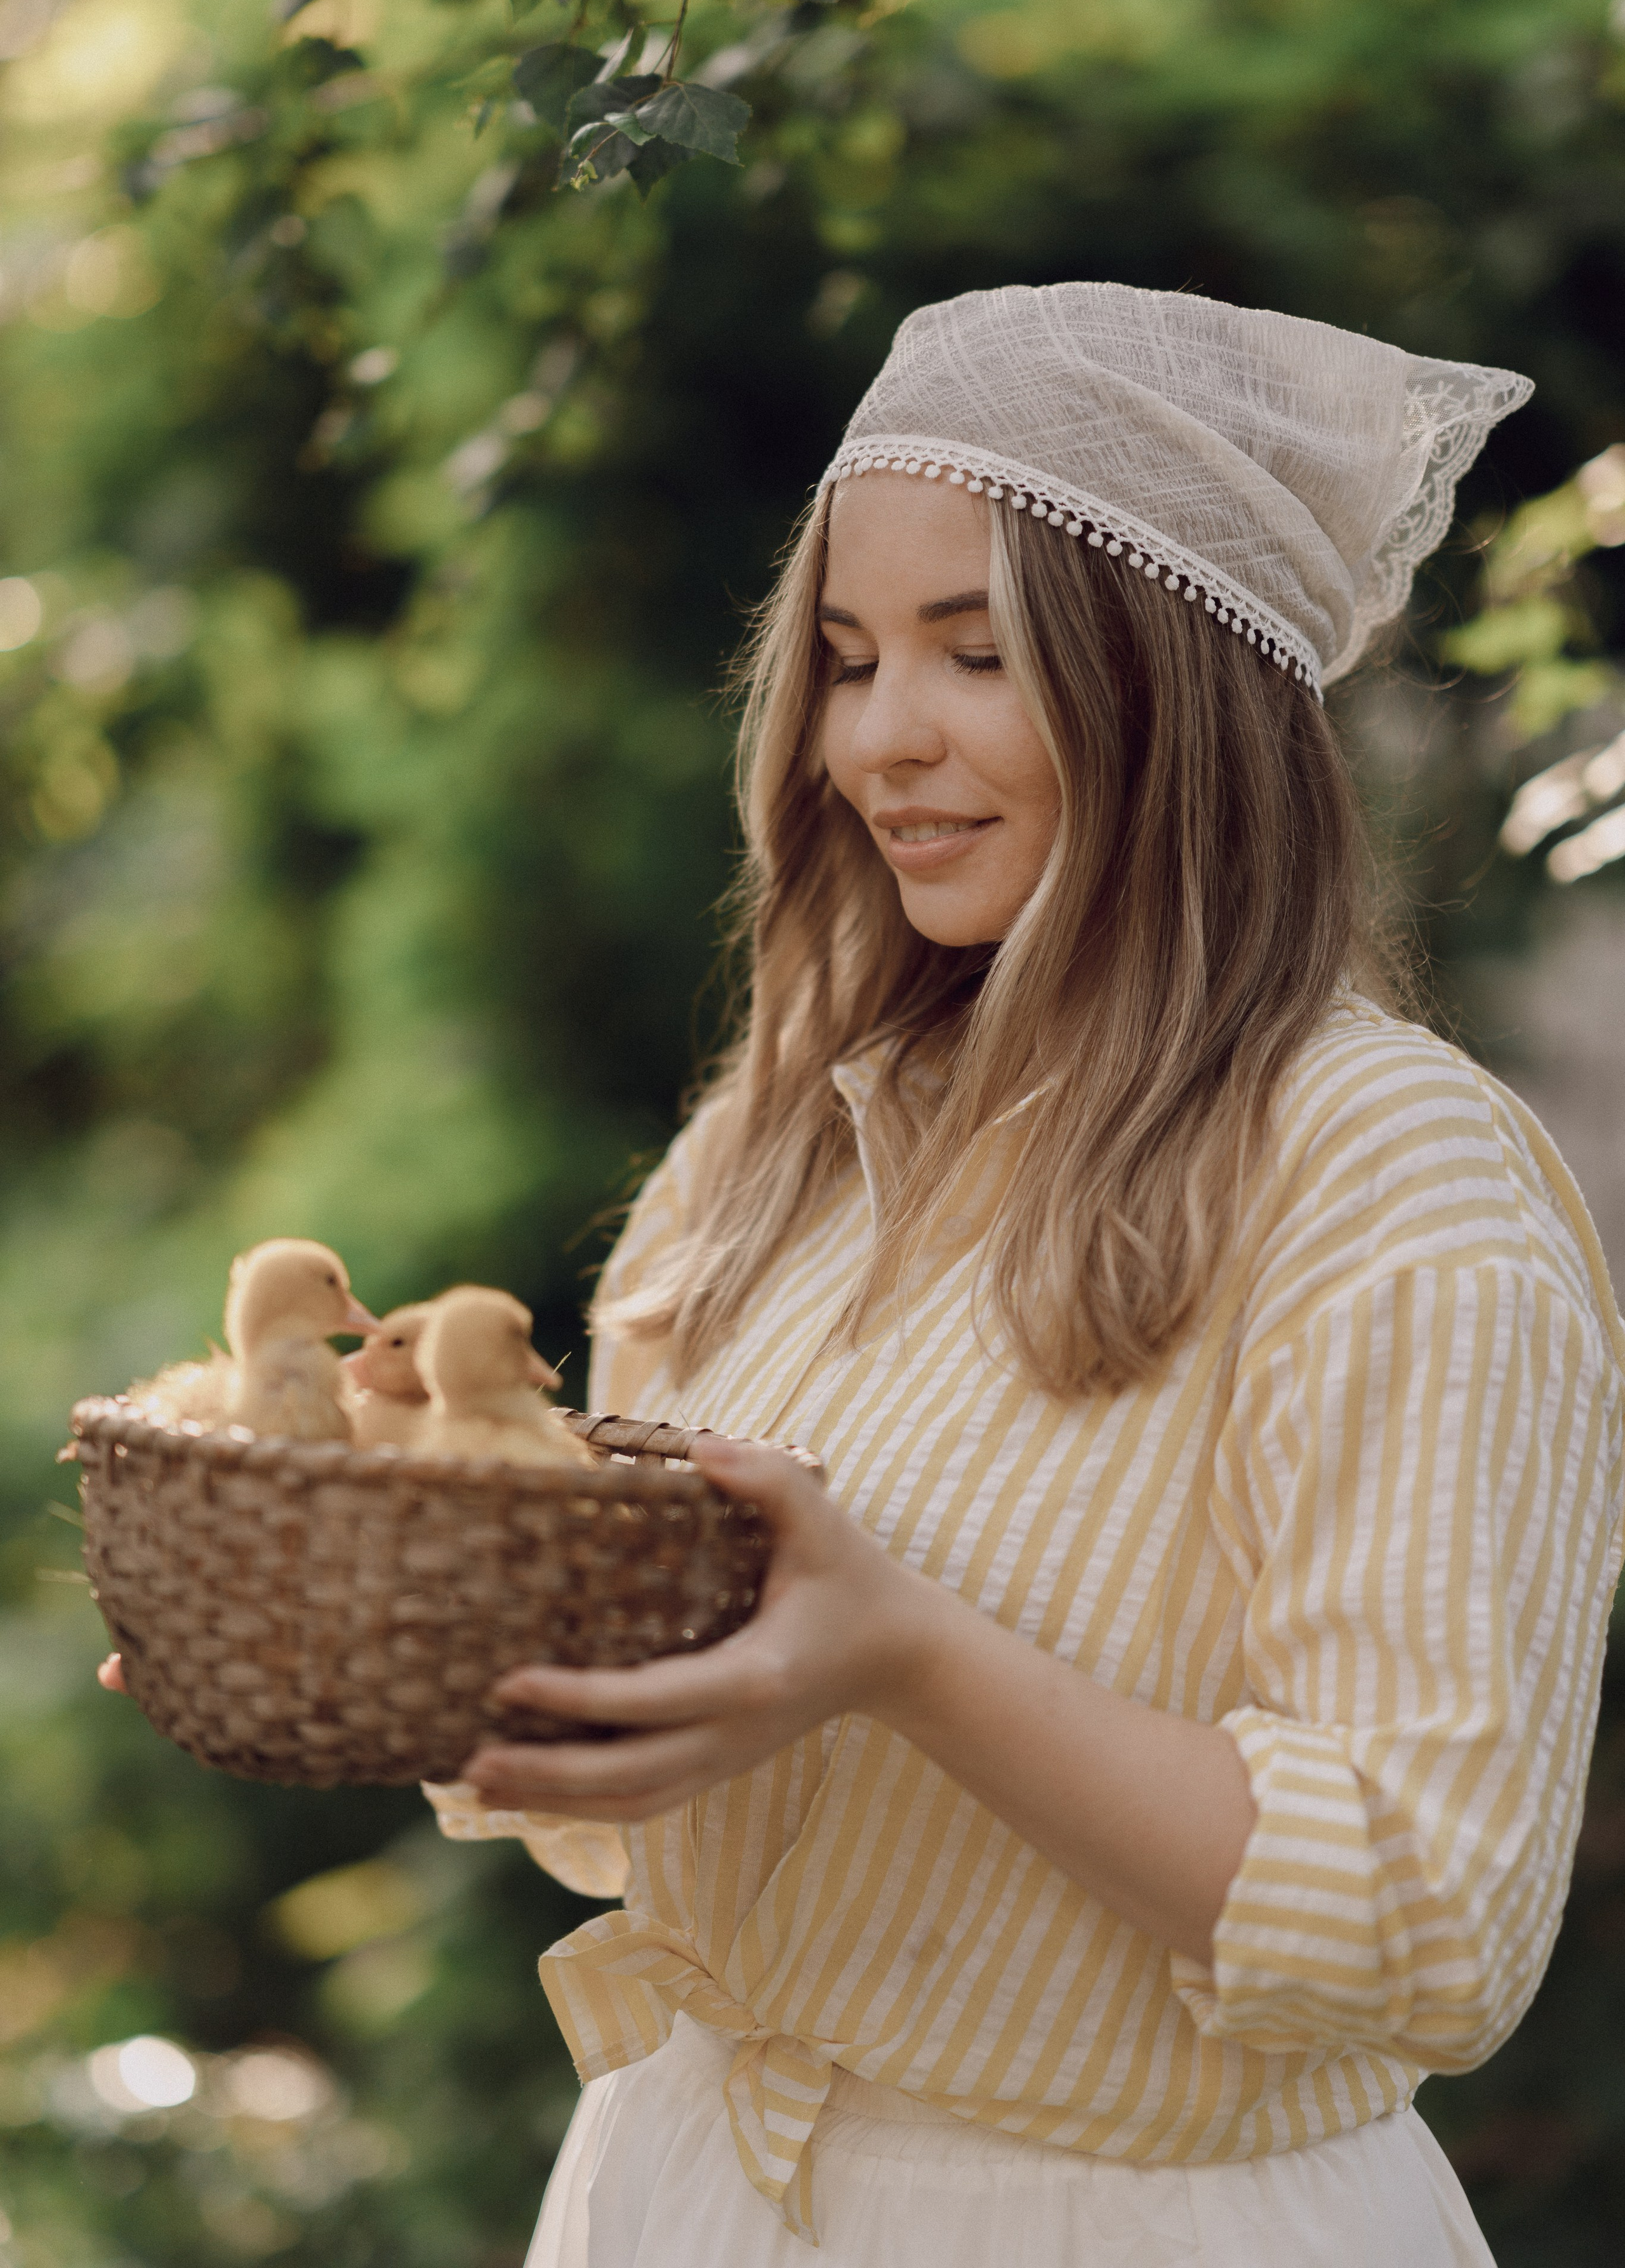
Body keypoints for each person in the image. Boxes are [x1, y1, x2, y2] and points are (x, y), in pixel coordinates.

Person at [427, 283, 1625, 2267]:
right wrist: (419, 1643)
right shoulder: (783, 1136)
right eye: (843, 658)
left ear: (1184, 690)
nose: (880, 740)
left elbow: (1439, 1927)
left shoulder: (1392, 1178)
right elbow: (640, 1781)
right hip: (683, 2190)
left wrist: (911, 1658)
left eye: (976, 655)